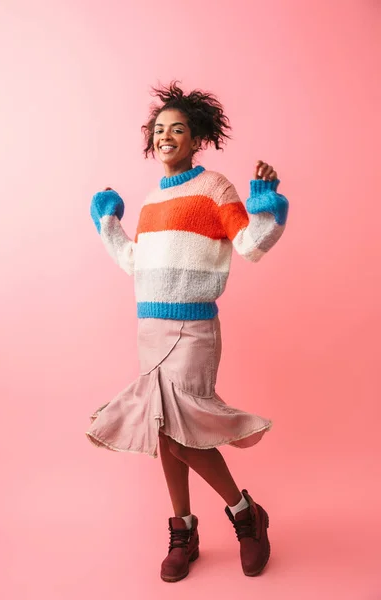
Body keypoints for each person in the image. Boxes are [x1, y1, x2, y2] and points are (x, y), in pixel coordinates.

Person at [87, 82, 289, 582]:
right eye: (159, 130)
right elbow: (135, 262)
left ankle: (245, 513)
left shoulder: (215, 187)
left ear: (197, 137)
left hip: (194, 327)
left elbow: (250, 243)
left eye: (177, 128)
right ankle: (184, 530)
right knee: (163, 431)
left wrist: (266, 204)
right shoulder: (154, 199)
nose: (165, 136)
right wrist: (109, 221)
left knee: (185, 434)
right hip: (150, 328)